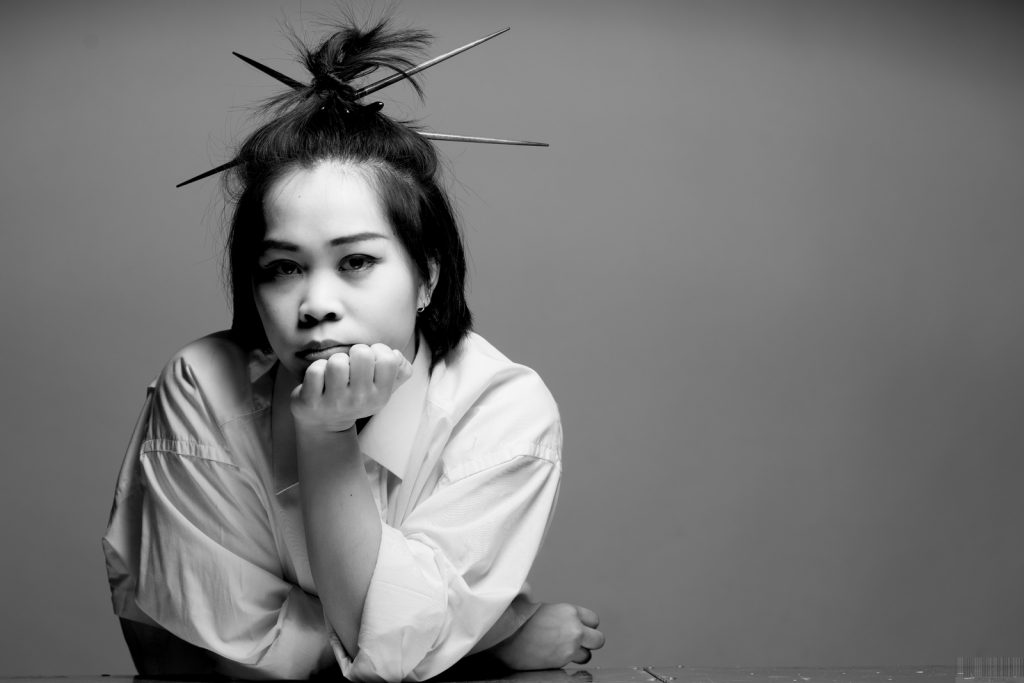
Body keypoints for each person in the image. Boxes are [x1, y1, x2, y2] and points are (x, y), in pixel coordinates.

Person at [102, 17, 605, 682]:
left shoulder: (501, 408)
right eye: (283, 267)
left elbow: (377, 651)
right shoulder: (202, 386)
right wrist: (482, 640)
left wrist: (325, 434)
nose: (315, 303)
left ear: (427, 275)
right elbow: (236, 661)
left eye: (357, 261)